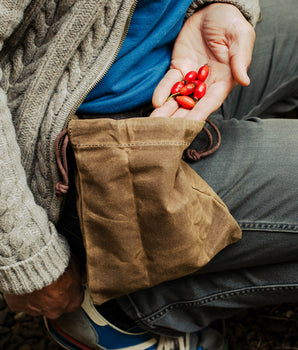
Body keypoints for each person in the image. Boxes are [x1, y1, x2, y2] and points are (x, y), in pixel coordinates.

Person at [0, 0, 297, 349]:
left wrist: (219, 4)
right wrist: (26, 258)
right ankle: (121, 307)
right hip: (72, 156)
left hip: (172, 62)